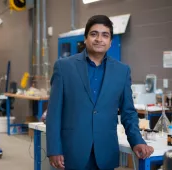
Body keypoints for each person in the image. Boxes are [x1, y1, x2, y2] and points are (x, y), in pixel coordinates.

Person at [46, 15, 154, 170]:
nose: (99, 39)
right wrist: (54, 149)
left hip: (105, 152)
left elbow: (128, 112)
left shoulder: (122, 71)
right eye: (94, 34)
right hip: (72, 152)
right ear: (85, 39)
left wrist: (137, 140)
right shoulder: (64, 67)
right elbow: (54, 113)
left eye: (105, 35)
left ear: (110, 42)